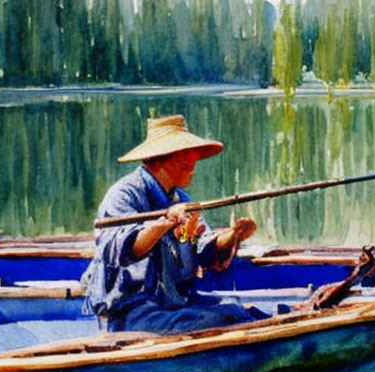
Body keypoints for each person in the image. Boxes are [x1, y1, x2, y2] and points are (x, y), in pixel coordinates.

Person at [82, 114, 260, 333]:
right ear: (164, 156)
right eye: (186, 153)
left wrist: (233, 235)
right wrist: (165, 222)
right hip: (131, 313)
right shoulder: (124, 195)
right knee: (223, 322)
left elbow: (201, 248)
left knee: (241, 313)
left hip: (174, 305)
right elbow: (125, 250)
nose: (194, 160)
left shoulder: (181, 199)